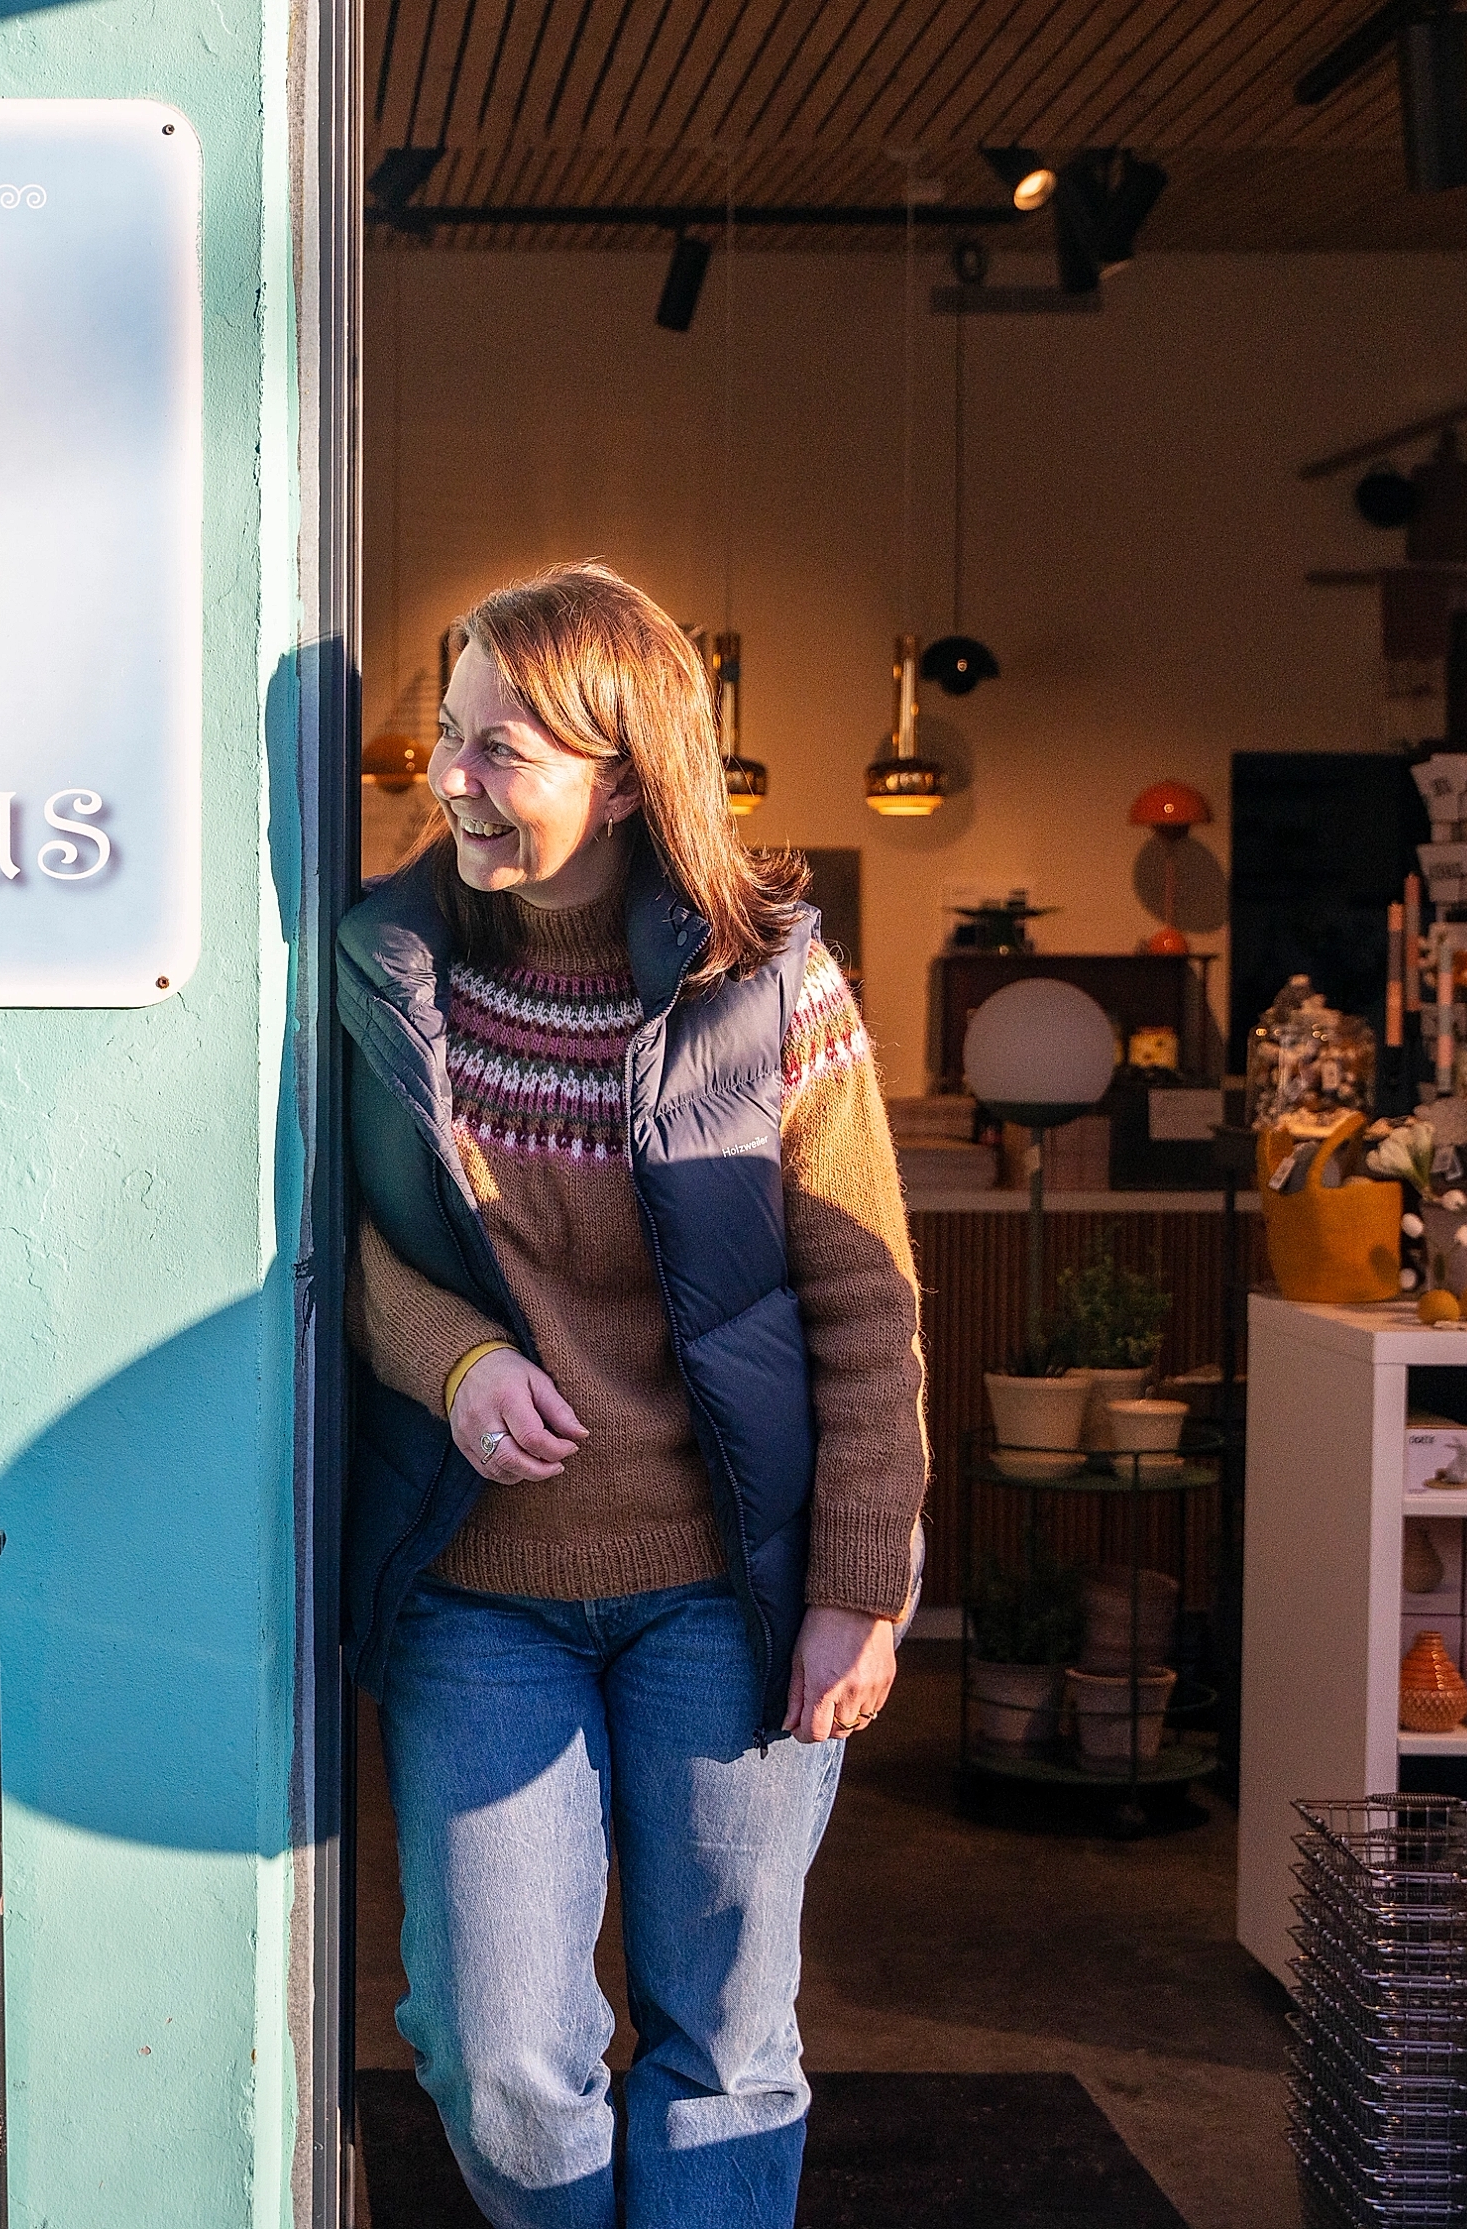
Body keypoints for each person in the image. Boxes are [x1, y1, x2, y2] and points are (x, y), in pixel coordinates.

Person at [338, 562, 930, 2228]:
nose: (452, 774)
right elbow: (339, 1248)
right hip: (478, 1593)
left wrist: (858, 1585)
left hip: (722, 1594)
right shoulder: (388, 969)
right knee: (500, 2050)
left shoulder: (770, 988)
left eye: (501, 747)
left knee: (727, 2040)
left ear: (624, 767)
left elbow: (864, 1301)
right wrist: (452, 1358)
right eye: (449, 738)